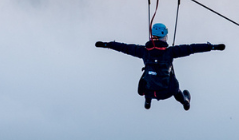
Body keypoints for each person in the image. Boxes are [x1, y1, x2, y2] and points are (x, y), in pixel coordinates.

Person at [95, 22, 226, 110]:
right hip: (167, 92)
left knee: (147, 76)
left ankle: (148, 101)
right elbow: (192, 48)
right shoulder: (171, 52)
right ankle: (184, 101)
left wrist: (106, 44)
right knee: (173, 82)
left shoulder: (143, 51)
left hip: (150, 91)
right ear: (164, 37)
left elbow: (123, 47)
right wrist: (212, 47)